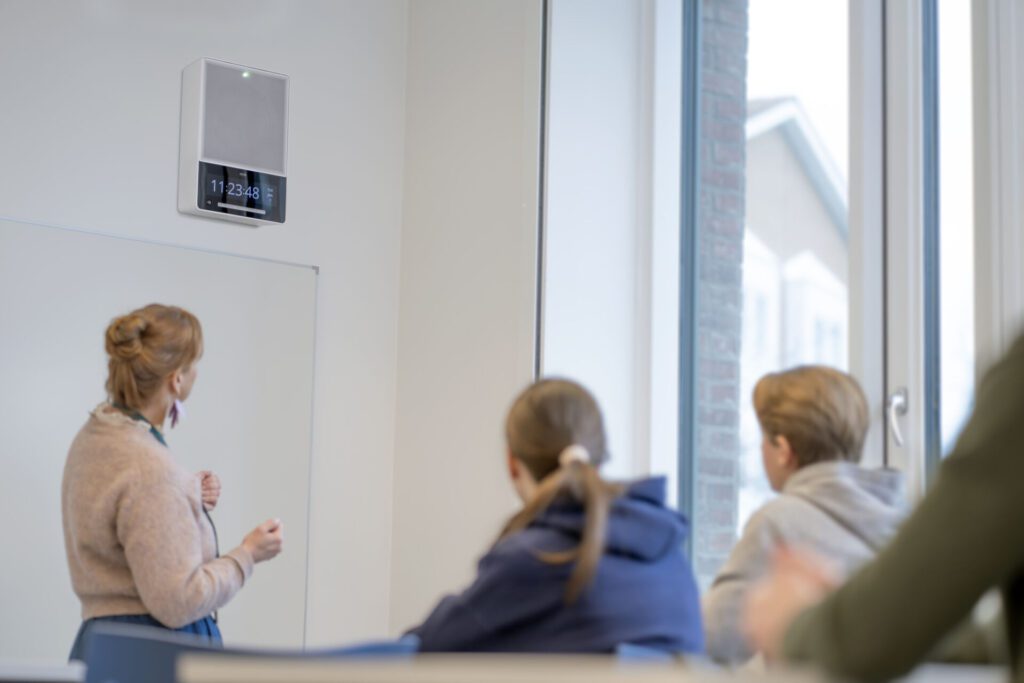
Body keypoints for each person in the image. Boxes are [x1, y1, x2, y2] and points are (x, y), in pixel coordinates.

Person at [744, 333, 1024, 681]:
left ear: (782, 449)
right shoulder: (896, 509)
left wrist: (799, 623)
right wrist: (849, 608)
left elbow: (859, 644)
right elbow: (992, 640)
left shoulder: (773, 520)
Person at [406, 378, 704, 654]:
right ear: (597, 461)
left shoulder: (529, 561)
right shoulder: (672, 561)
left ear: (512, 464)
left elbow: (425, 650)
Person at [62, 304, 283, 661]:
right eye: (195, 364)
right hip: (151, 657)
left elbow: (122, 505)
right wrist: (248, 555)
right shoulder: (150, 468)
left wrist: (184, 495)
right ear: (177, 379)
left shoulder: (94, 436)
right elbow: (178, 602)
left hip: (105, 649)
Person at [703, 366, 905, 665]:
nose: (760, 448)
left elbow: (713, 636)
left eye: (763, 438)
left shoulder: (777, 523)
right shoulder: (904, 519)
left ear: (783, 450)